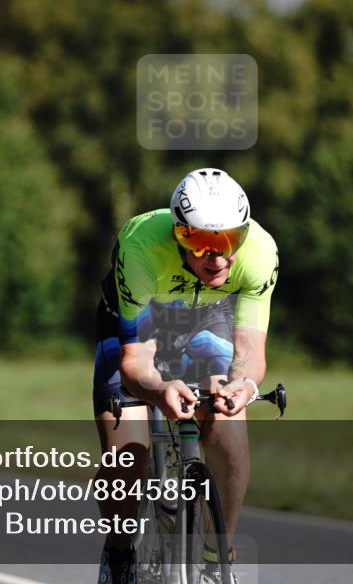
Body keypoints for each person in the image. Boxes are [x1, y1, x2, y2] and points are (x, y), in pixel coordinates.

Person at [92, 168, 279, 584]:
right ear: (178, 234)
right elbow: (135, 363)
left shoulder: (261, 252)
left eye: (229, 241)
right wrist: (158, 389)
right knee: (127, 456)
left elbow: (250, 351)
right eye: (200, 242)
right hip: (140, 324)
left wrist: (242, 384)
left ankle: (217, 558)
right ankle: (119, 557)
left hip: (208, 319)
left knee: (229, 420)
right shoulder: (141, 247)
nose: (218, 258)